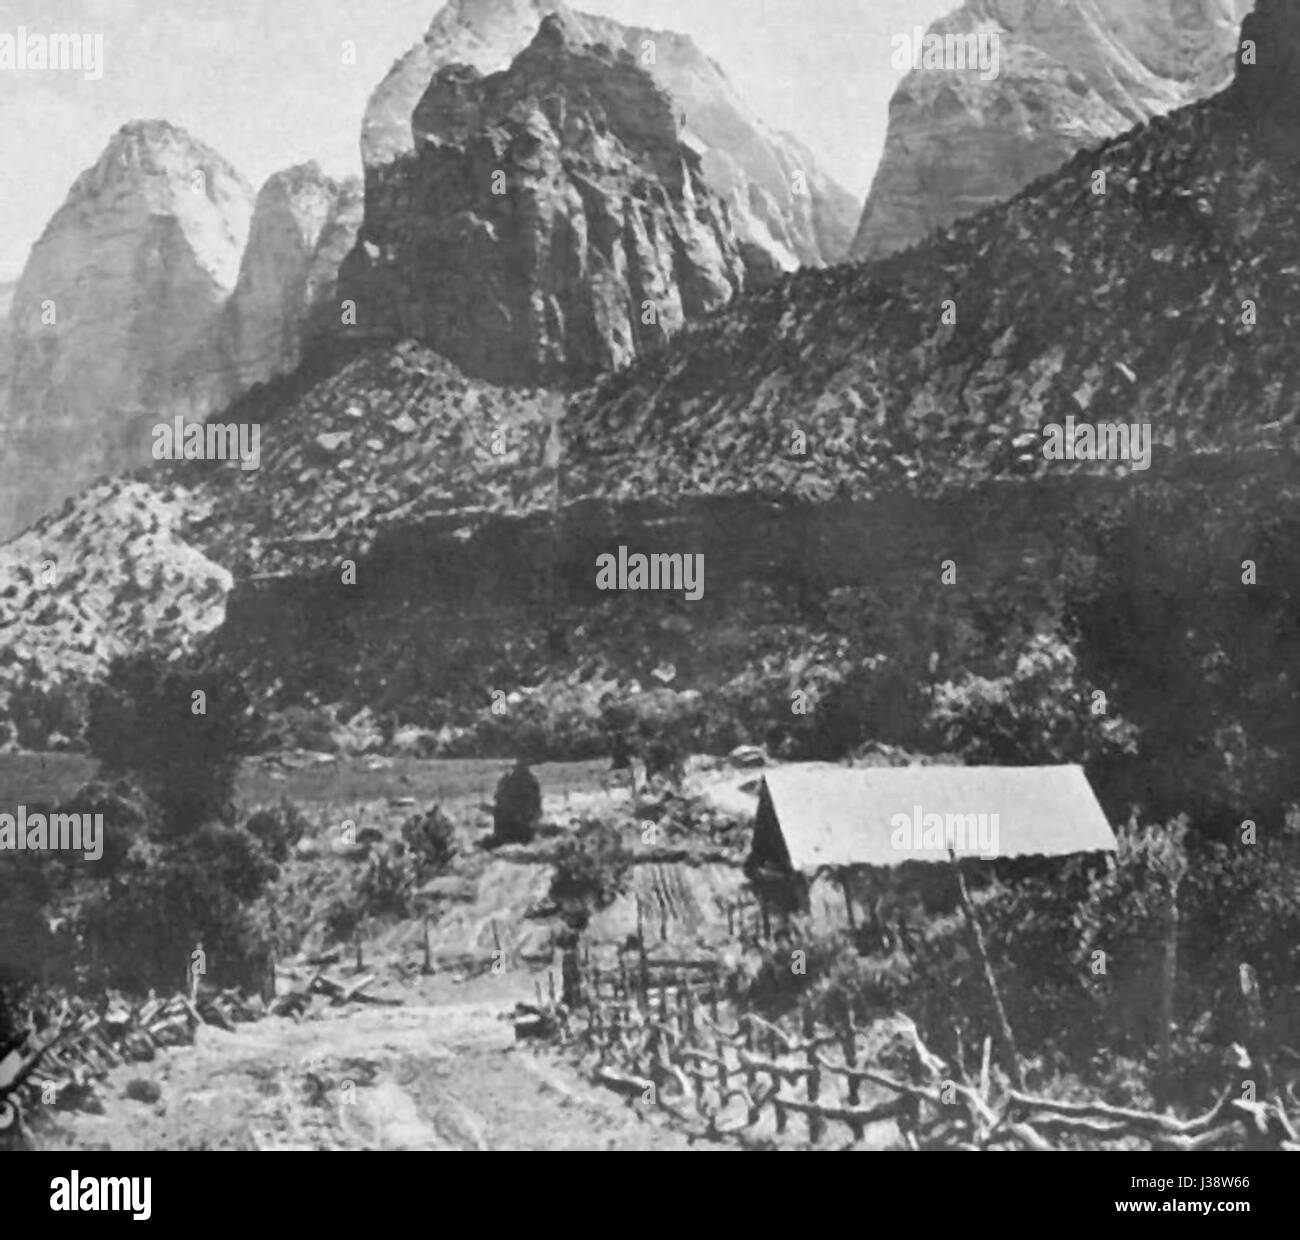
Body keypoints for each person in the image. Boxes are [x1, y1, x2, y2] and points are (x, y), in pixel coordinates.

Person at [492, 758, 542, 845]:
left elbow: (498, 797)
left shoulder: (506, 780)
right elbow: (536, 802)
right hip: (516, 821)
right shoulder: (531, 781)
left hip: (515, 821)